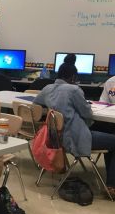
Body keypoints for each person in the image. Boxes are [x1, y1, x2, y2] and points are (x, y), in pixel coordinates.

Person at [35, 63, 115, 195]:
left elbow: (36, 105)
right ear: (73, 77)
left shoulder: (47, 88)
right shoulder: (74, 90)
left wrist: (53, 109)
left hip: (55, 140)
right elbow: (87, 114)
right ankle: (112, 186)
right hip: (74, 138)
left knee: (109, 136)